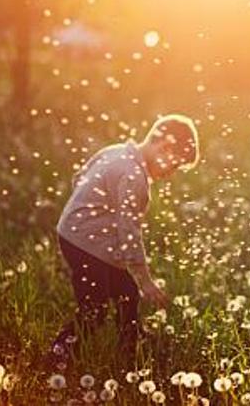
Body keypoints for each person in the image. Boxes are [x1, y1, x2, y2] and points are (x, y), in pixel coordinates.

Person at [48, 114, 199, 368]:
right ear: (164, 147)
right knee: (94, 310)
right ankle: (59, 354)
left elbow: (79, 177)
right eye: (174, 165)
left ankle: (130, 343)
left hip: (75, 234)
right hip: (85, 245)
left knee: (126, 292)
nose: (171, 174)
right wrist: (145, 280)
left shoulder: (117, 151)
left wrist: (87, 212)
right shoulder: (134, 176)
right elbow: (130, 233)